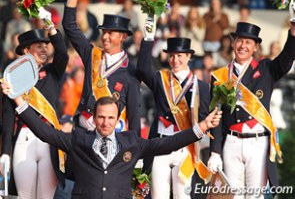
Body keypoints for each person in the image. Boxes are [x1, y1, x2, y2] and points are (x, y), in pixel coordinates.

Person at [1, 82, 222, 199]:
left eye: (110, 118)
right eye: (101, 117)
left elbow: (165, 144)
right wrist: (18, 100)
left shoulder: (131, 141)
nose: (105, 122)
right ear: (94, 119)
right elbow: (45, 132)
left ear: (117, 120)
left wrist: (201, 127)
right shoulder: (79, 138)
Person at [207, 18, 295, 198]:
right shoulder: (220, 76)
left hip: (257, 143)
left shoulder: (266, 69)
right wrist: (214, 151)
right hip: (231, 143)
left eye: (248, 42)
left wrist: (293, 33)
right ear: (232, 43)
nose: (242, 45)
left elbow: (286, 59)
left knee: (256, 196)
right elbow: (216, 116)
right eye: (239, 40)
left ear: (255, 47)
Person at [137, 18, 211, 198]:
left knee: (182, 196)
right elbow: (142, 70)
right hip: (161, 143)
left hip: (185, 148)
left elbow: (203, 119)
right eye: (171, 56)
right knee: (158, 195)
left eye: (179, 56)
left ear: (189, 57)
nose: (175, 60)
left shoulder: (200, 86)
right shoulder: (159, 78)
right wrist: (148, 37)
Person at [62, 0, 141, 135]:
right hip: (85, 132)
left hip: (114, 136)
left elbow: (133, 116)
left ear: (122, 37)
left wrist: (133, 152)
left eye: (110, 33)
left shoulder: (131, 72)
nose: (105, 37)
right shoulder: (92, 54)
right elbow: (69, 26)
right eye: (103, 32)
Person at [0, 9, 69, 198]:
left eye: (46, 46)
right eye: (39, 46)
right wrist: (5, 152)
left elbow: (62, 53)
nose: (44, 49)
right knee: (25, 196)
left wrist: (50, 26)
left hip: (48, 140)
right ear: (26, 50)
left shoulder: (52, 73)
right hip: (24, 139)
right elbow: (7, 118)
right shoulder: (11, 78)